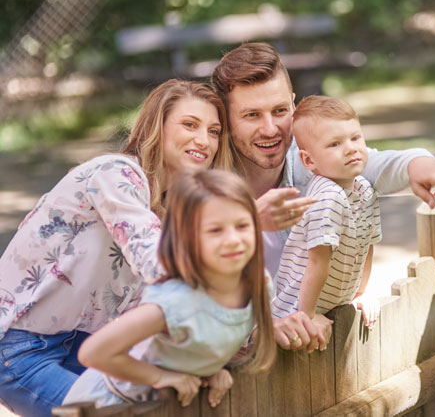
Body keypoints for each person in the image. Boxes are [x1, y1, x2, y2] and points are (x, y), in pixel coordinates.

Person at [0, 80, 234, 417]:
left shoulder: (170, 215)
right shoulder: (116, 174)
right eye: (189, 125)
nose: (204, 140)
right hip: (19, 346)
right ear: (158, 127)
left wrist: (206, 360)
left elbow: (154, 309)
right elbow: (158, 266)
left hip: (82, 347)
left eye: (213, 131)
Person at [211, 42, 435, 351]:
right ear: (225, 118)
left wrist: (422, 165)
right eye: (251, 115)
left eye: (279, 111)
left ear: (293, 103)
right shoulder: (205, 183)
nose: (270, 128)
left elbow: (374, 163)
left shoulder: (308, 160)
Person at [62, 169, 276, 410]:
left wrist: (210, 369)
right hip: (112, 404)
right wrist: (161, 377)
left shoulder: (258, 285)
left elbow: (205, 339)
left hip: (166, 406)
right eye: (215, 230)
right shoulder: (177, 302)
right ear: (186, 239)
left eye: (242, 225)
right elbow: (94, 353)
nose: (233, 239)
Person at [271, 96, 381, 330]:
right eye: (334, 144)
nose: (350, 148)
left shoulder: (365, 190)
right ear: (309, 160)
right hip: (295, 311)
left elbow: (367, 244)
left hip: (332, 304)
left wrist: (361, 293)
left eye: (355, 138)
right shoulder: (327, 198)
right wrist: (307, 316)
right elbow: (317, 262)